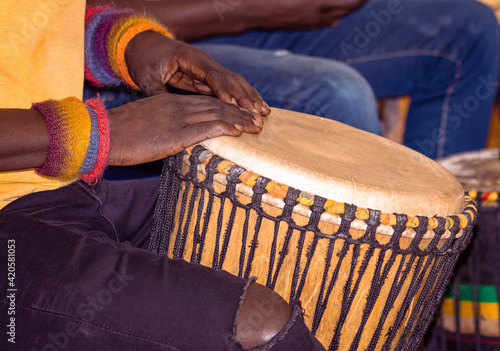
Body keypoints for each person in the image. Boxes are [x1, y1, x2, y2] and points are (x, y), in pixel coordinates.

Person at [0, 2, 325, 350]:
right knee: (256, 325)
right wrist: (98, 132)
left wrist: (128, 44)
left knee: (291, 226)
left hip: (61, 186)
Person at [94, 0, 500, 160]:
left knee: (470, 30)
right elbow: (86, 23)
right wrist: (252, 9)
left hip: (260, 19)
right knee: (338, 94)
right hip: (143, 47)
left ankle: (440, 273)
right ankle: (362, 309)